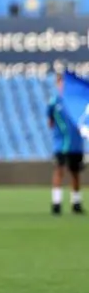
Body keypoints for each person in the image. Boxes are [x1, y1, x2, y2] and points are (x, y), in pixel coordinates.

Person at [48, 71, 84, 216]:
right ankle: (56, 203)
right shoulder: (54, 102)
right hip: (60, 143)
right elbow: (50, 121)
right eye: (60, 82)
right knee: (59, 170)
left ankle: (76, 202)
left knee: (75, 173)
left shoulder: (77, 100)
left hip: (76, 143)